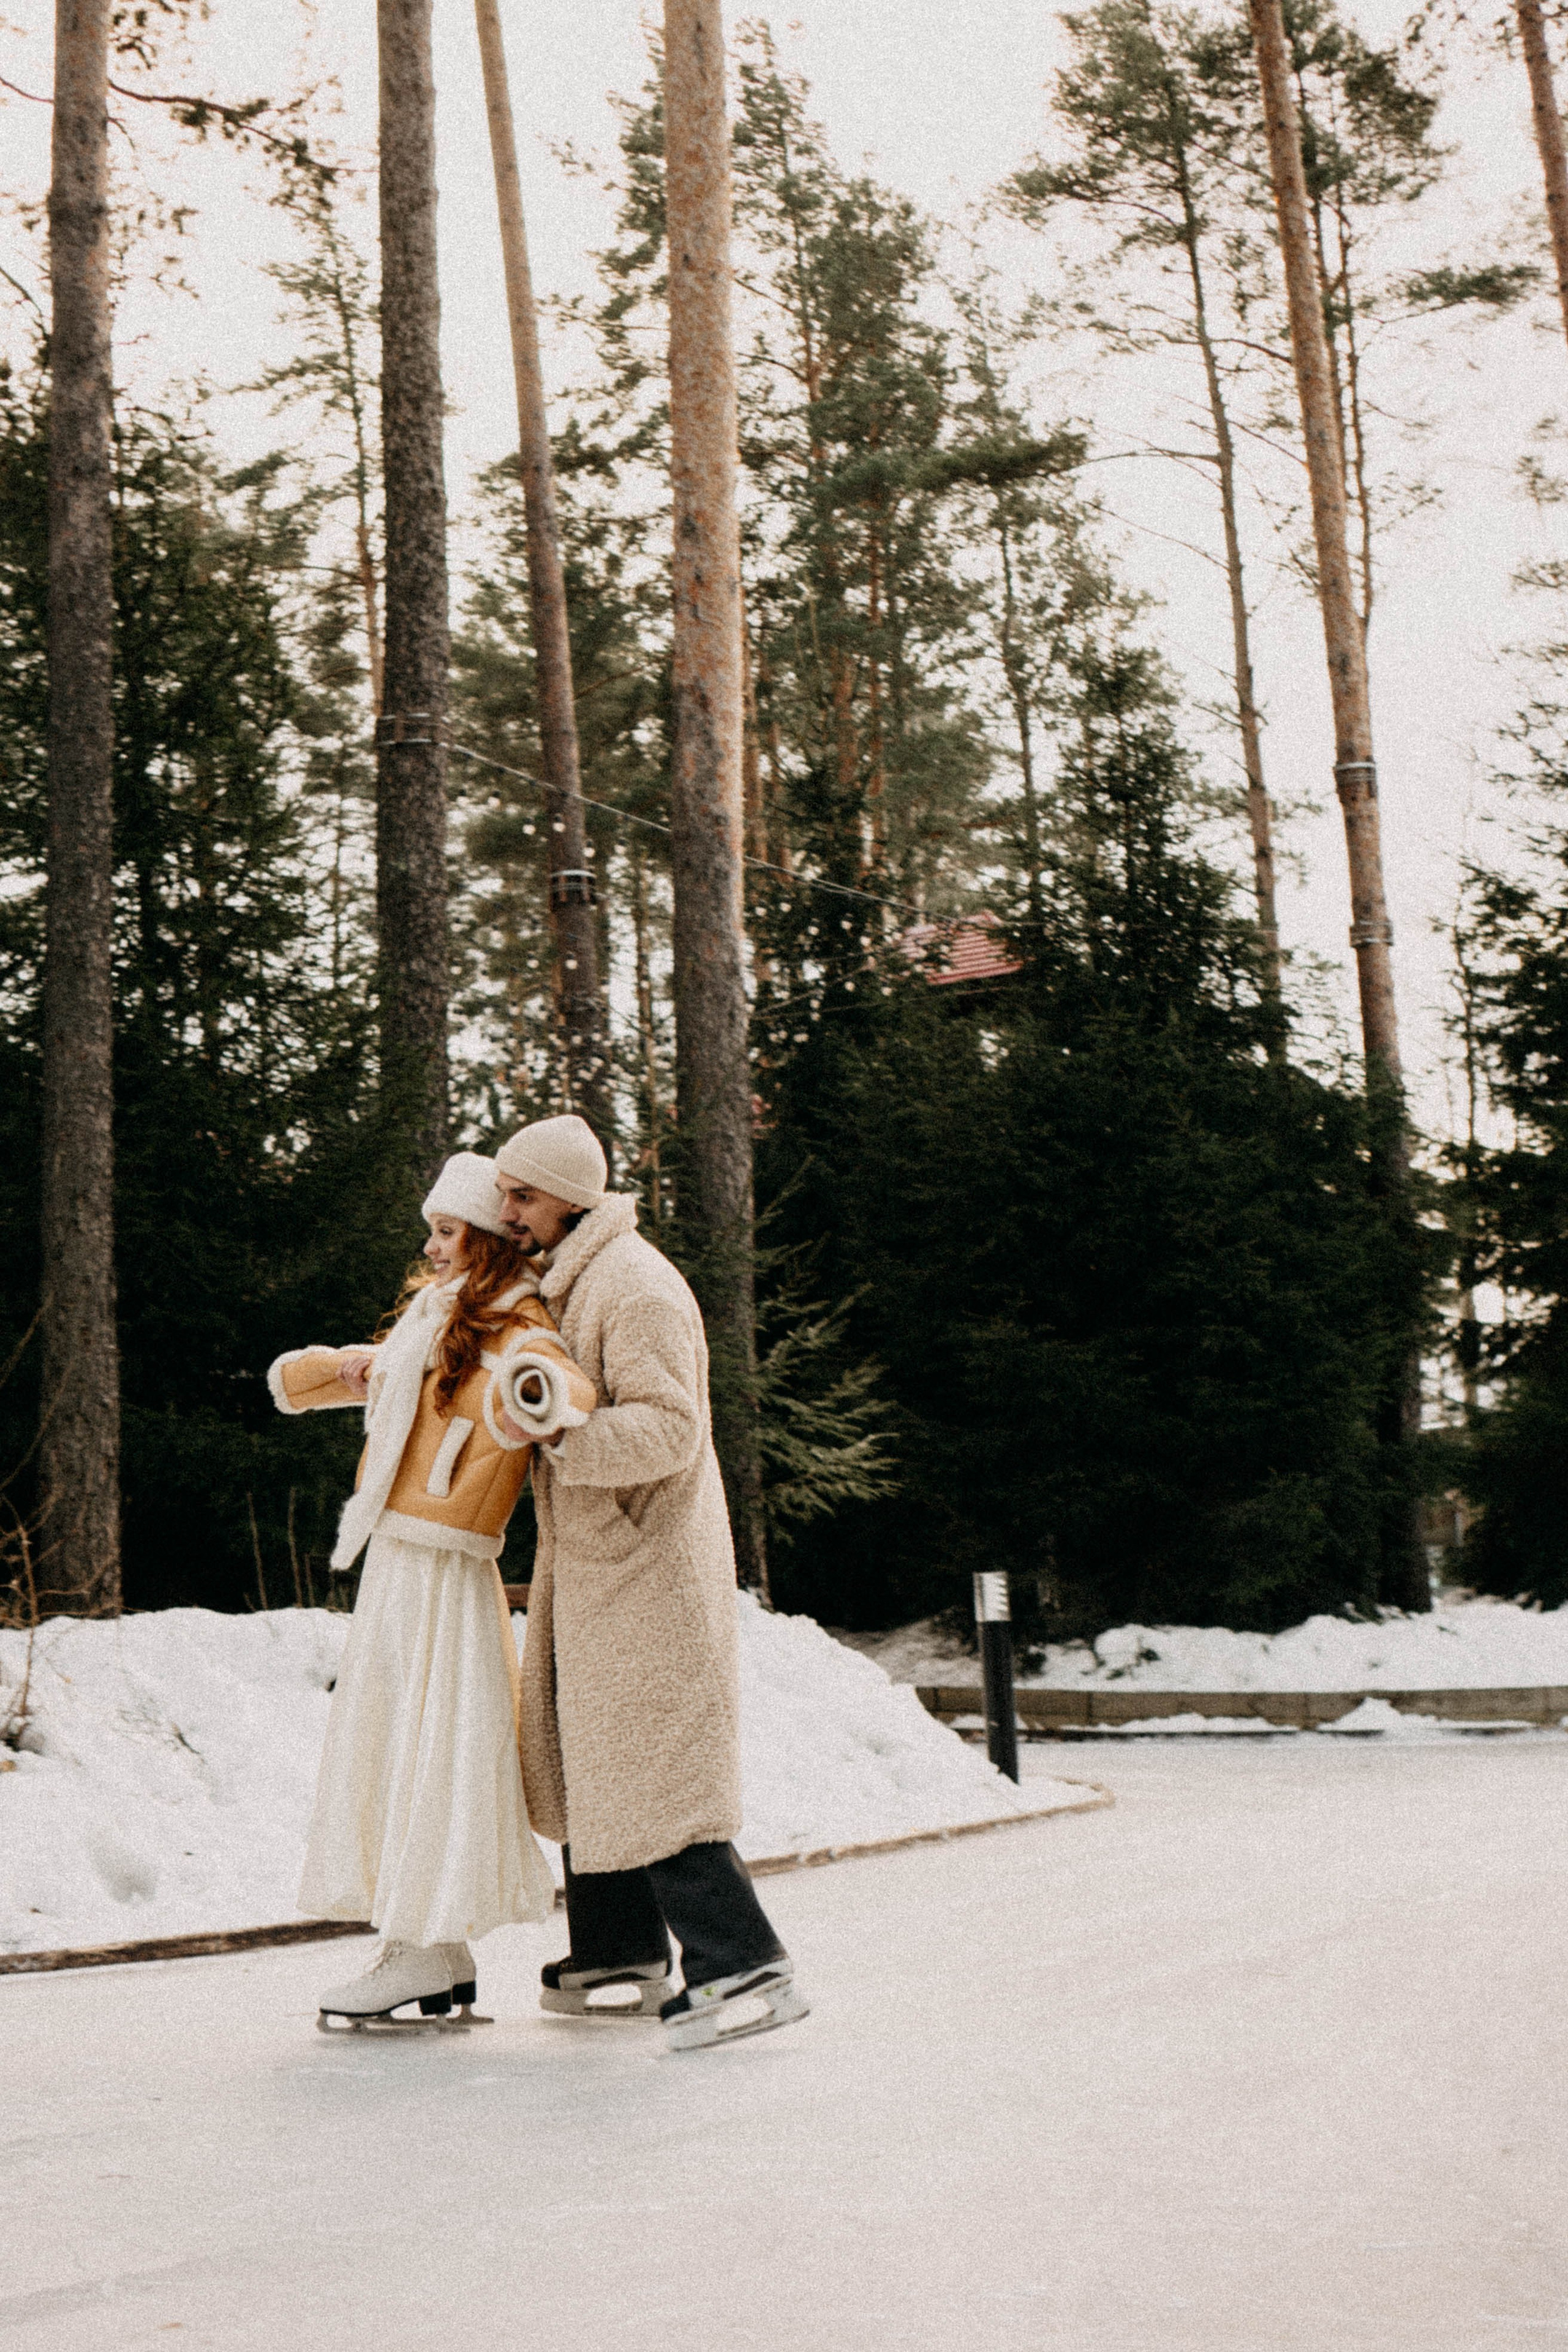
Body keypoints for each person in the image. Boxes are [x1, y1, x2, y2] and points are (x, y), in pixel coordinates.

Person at [494, 1114, 808, 2050]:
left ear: (569, 1199)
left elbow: (672, 1428)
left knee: (654, 1766)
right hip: (601, 1565)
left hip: (649, 1569)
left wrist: (558, 1437)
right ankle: (620, 1949)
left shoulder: (634, 1289)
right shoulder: (571, 1280)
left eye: (524, 1195)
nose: (508, 1211)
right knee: (594, 1757)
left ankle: (743, 1959)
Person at [268, 1150, 594, 2032]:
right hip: (404, 1558)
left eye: (448, 1229)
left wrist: (538, 1391)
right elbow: (381, 1377)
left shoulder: (516, 1323)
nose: (433, 1242)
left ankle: (423, 1943)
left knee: (432, 1745)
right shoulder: (441, 1317)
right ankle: (433, 1947)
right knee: (400, 1739)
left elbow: (559, 1384)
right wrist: (339, 1372)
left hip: (447, 1565)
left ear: (486, 1239)